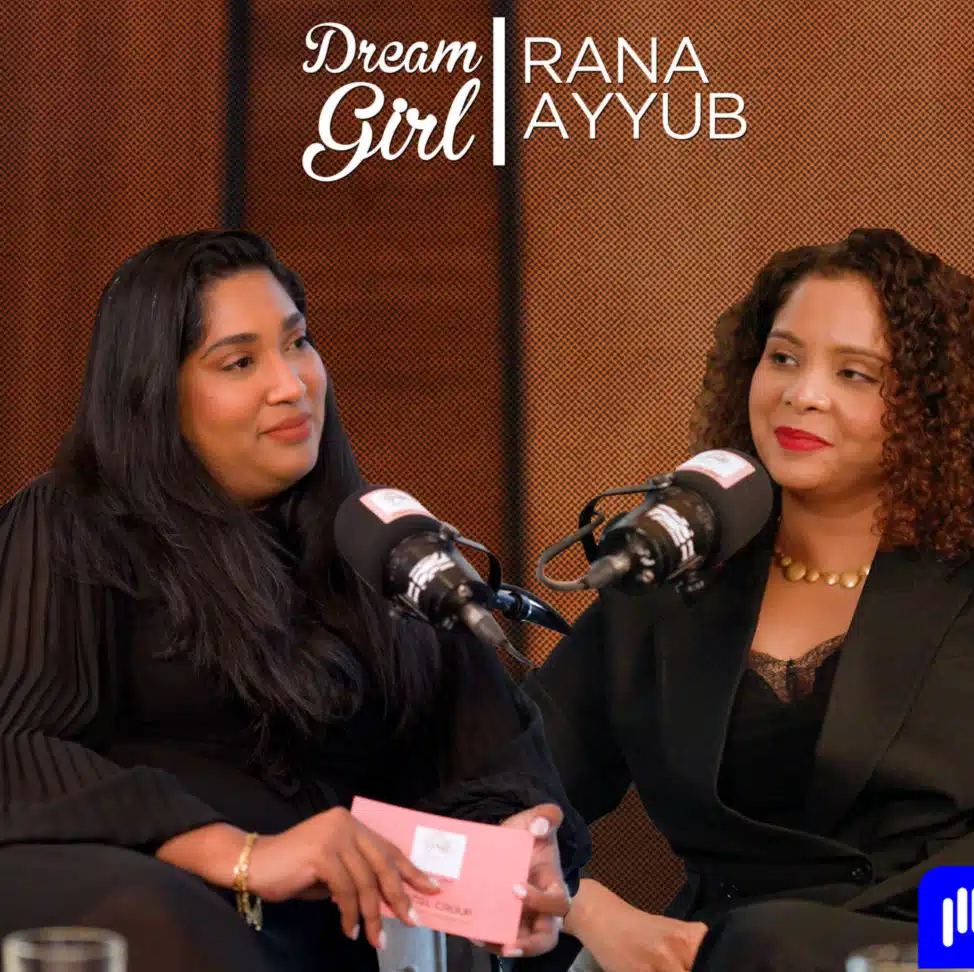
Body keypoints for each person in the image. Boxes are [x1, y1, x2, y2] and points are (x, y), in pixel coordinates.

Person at [0, 231, 588, 971]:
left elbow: (491, 763)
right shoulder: (70, 525)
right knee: (155, 914)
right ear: (154, 394)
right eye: (240, 362)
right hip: (148, 905)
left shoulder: (380, 542)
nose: (291, 384)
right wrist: (243, 854)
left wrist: (516, 855)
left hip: (332, 937)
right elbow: (16, 749)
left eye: (297, 343)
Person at [523, 228, 974, 971]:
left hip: (972, 927)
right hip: (725, 951)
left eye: (854, 374)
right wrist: (587, 908)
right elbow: (502, 791)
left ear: (931, 405)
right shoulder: (675, 569)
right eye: (783, 358)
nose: (803, 394)